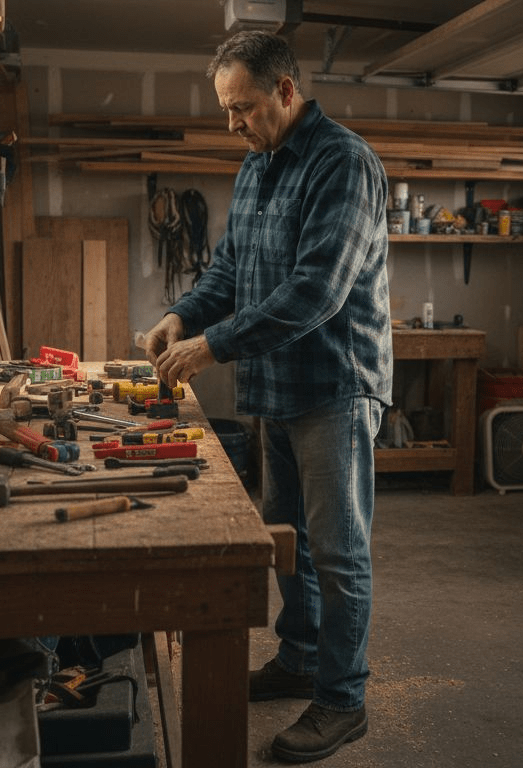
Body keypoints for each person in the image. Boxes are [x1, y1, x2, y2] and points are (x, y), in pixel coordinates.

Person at [141, 29, 393, 764]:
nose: (232, 124)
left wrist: (211, 346)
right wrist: (183, 315)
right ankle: (300, 659)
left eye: (242, 107)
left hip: (335, 386)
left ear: (286, 90)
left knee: (338, 554)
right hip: (276, 385)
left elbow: (316, 290)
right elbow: (231, 270)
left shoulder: (344, 163)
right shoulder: (255, 166)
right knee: (289, 541)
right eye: (225, 109)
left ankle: (342, 699)